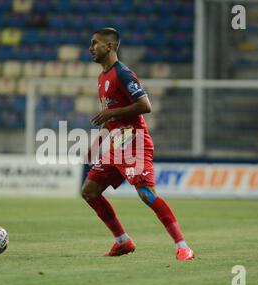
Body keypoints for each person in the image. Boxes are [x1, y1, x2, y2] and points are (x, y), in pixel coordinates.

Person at [82, 28, 195, 260]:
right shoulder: (102, 77)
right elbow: (111, 117)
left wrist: (112, 112)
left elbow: (145, 105)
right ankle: (123, 242)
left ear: (110, 46)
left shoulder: (123, 73)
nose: (91, 48)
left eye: (95, 44)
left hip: (135, 143)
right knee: (90, 191)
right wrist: (99, 142)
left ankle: (183, 246)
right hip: (115, 145)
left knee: (146, 194)